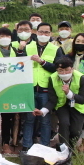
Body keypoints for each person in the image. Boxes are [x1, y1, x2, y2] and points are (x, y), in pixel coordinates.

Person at [23, 22, 63, 151]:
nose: (43, 34)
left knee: (45, 120)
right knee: (29, 119)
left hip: (46, 89)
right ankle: (26, 146)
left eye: (46, 32)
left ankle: (45, 146)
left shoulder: (56, 49)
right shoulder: (28, 47)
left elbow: (58, 69)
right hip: (30, 88)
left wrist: (42, 62)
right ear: (36, 32)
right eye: (41, 32)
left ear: (50, 34)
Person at [33, 57, 84, 150]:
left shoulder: (81, 78)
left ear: (72, 69)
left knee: (75, 131)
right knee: (64, 123)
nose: (64, 73)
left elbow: (83, 99)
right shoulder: (52, 78)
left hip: (79, 105)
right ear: (56, 70)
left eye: (67, 70)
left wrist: (69, 93)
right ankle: (64, 150)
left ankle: (71, 148)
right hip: (62, 105)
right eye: (60, 70)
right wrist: (42, 111)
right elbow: (52, 100)